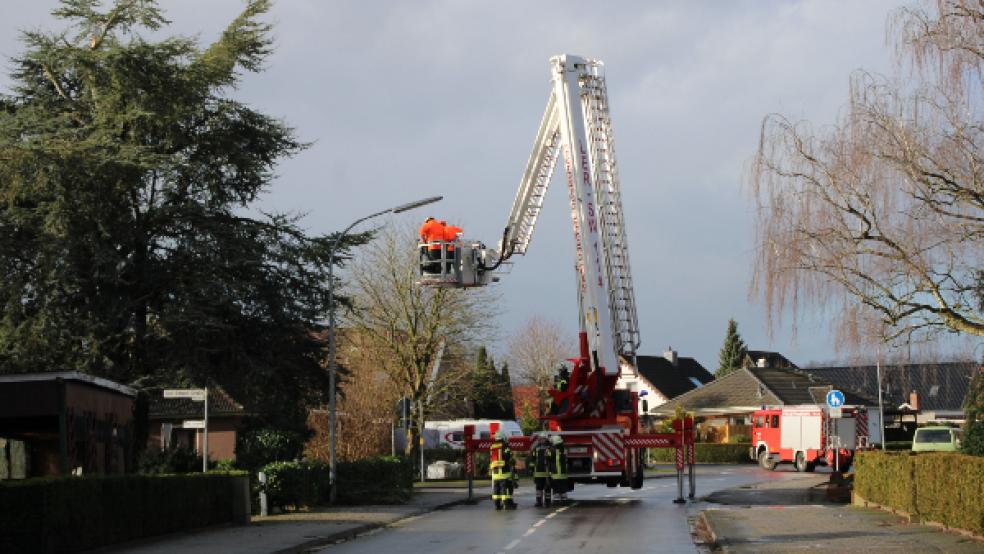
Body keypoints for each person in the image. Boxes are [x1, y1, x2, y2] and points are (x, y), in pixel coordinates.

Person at [489, 431, 517, 510]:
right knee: (505, 489)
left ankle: (497, 505)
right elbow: (509, 458)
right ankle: (507, 504)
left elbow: (491, 458)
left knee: (496, 489)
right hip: (504, 472)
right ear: (503, 438)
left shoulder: (492, 447)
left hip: (495, 472)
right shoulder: (506, 446)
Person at [531, 433, 552, 507]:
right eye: (540, 438)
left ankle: (547, 502)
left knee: (547, 488)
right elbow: (532, 459)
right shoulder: (537, 448)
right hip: (539, 471)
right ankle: (539, 502)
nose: (541, 440)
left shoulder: (549, 447)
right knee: (539, 488)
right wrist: (532, 469)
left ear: (546, 439)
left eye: (542, 438)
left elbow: (551, 459)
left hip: (546, 471)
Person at [549, 434, 569, 502]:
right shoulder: (563, 450)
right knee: (563, 486)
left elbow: (548, 458)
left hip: (555, 473)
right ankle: (563, 497)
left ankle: (557, 497)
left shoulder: (552, 451)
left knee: (556, 486)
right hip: (563, 474)